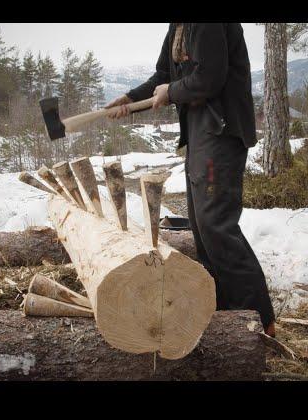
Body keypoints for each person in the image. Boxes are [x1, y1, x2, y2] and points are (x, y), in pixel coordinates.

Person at [105, 23, 275, 337]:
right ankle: (228, 314)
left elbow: (210, 77)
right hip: (201, 132)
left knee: (215, 225)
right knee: (200, 226)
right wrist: (129, 100)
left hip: (220, 131)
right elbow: (164, 77)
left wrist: (171, 93)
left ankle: (260, 320)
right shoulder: (179, 26)